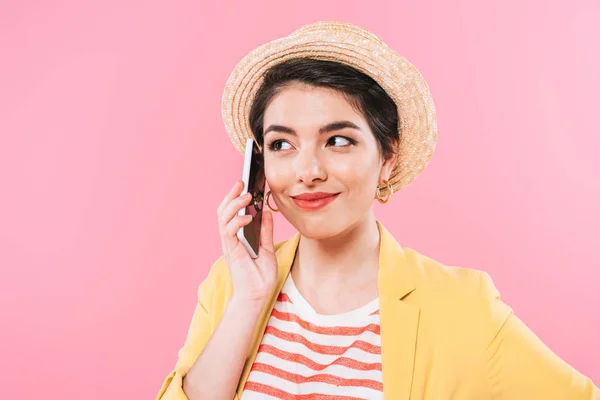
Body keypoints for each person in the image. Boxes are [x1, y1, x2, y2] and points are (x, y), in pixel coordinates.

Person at [156, 21, 599, 399]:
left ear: (387, 156)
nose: (307, 171)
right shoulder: (230, 287)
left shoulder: (462, 306)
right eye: (282, 144)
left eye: (338, 140)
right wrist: (249, 300)